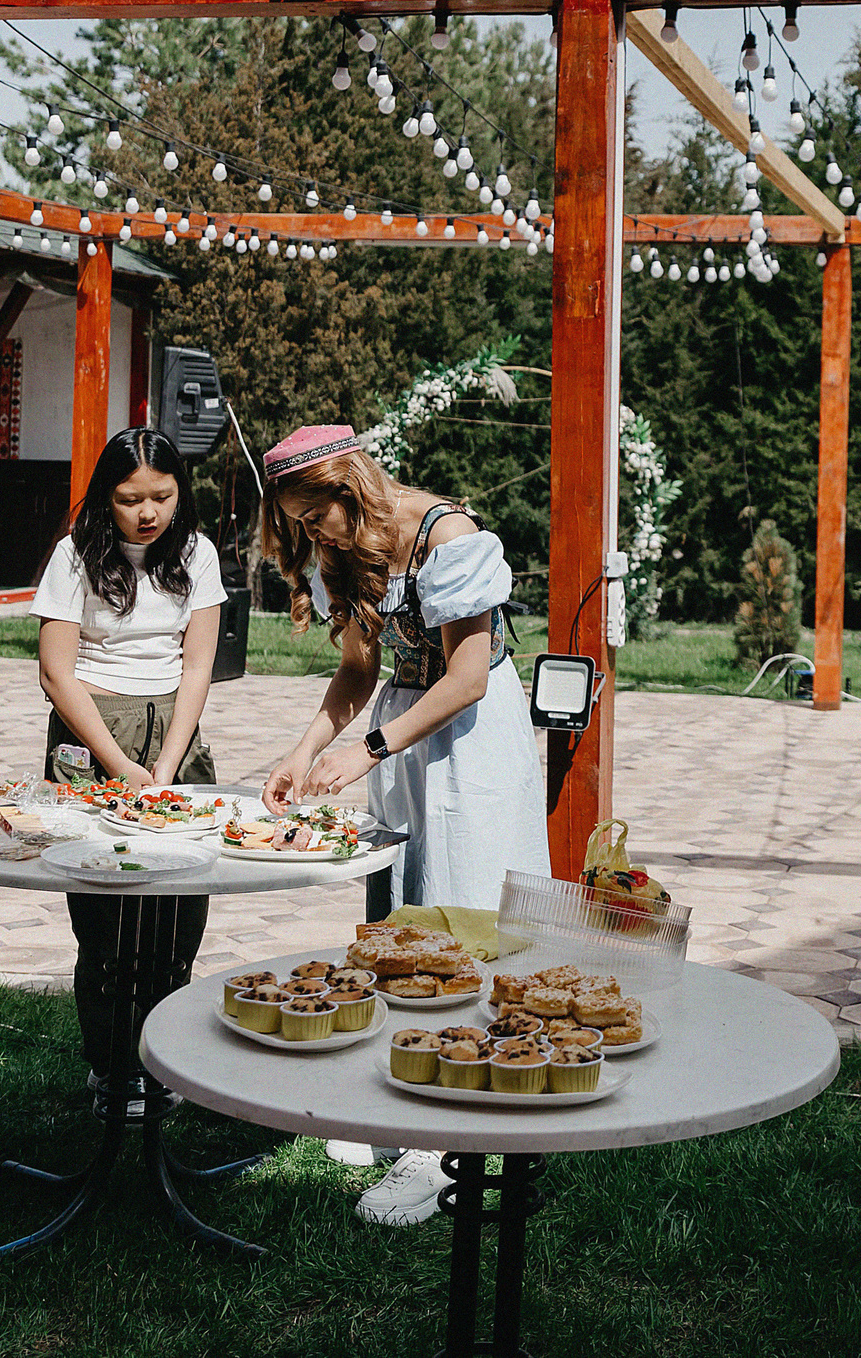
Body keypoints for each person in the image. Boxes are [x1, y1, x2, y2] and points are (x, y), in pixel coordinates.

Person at [254, 423, 549, 1222]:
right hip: (404, 739)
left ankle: (443, 1144)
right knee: (401, 921)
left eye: (315, 517)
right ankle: (404, 1098)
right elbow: (359, 666)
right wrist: (305, 748)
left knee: (463, 917)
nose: (314, 536)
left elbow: (467, 677)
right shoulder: (348, 547)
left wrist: (369, 750)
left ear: (348, 487)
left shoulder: (447, 534)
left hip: (467, 742)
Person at [31, 427, 226, 1100]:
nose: (148, 513)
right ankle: (112, 1066)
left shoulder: (198, 553)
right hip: (94, 733)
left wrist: (168, 762)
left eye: (162, 497)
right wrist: (117, 764)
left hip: (173, 731)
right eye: (129, 499)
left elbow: (197, 666)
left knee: (179, 904)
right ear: (104, 498)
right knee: (105, 911)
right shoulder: (75, 554)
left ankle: (166, 1060)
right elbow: (56, 673)